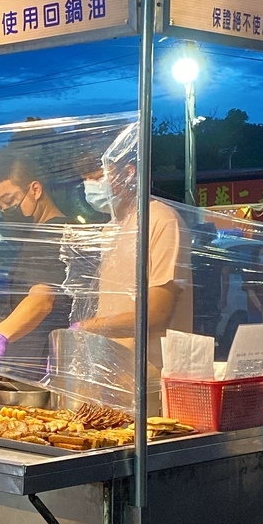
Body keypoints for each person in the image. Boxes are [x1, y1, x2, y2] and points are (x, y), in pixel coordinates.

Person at [74, 124, 193, 365]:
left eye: (97, 178)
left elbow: (156, 314)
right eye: (85, 180)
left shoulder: (160, 220)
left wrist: (86, 328)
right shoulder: (111, 229)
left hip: (152, 373)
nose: (90, 187)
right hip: (112, 367)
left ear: (128, 173)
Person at [0, 150, 71, 380]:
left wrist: (0, 335)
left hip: (44, 368)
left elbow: (42, 298)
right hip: (30, 367)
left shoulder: (51, 236)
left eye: (10, 201)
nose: (7, 212)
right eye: (1, 208)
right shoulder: (35, 237)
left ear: (35, 190)